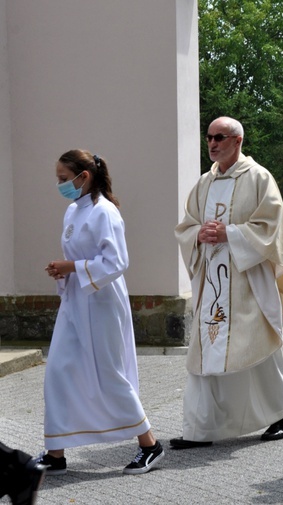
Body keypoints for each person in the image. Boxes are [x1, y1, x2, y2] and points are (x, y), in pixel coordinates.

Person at [172, 116, 283, 449]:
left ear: (237, 141)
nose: (212, 143)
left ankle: (281, 413)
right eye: (209, 137)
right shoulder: (203, 183)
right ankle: (200, 428)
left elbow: (271, 227)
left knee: (260, 343)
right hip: (213, 281)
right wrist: (199, 233)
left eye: (219, 137)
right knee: (204, 352)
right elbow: (185, 227)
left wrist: (231, 233)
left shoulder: (258, 178)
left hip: (248, 278)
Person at [41, 150, 164, 474]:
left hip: (103, 302)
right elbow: (81, 257)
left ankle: (150, 445)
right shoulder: (72, 211)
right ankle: (56, 454)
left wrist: (73, 266)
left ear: (84, 177)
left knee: (109, 373)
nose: (60, 185)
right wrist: (65, 271)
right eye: (58, 180)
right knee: (57, 371)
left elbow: (117, 261)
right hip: (75, 301)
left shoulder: (104, 212)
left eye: (64, 180)